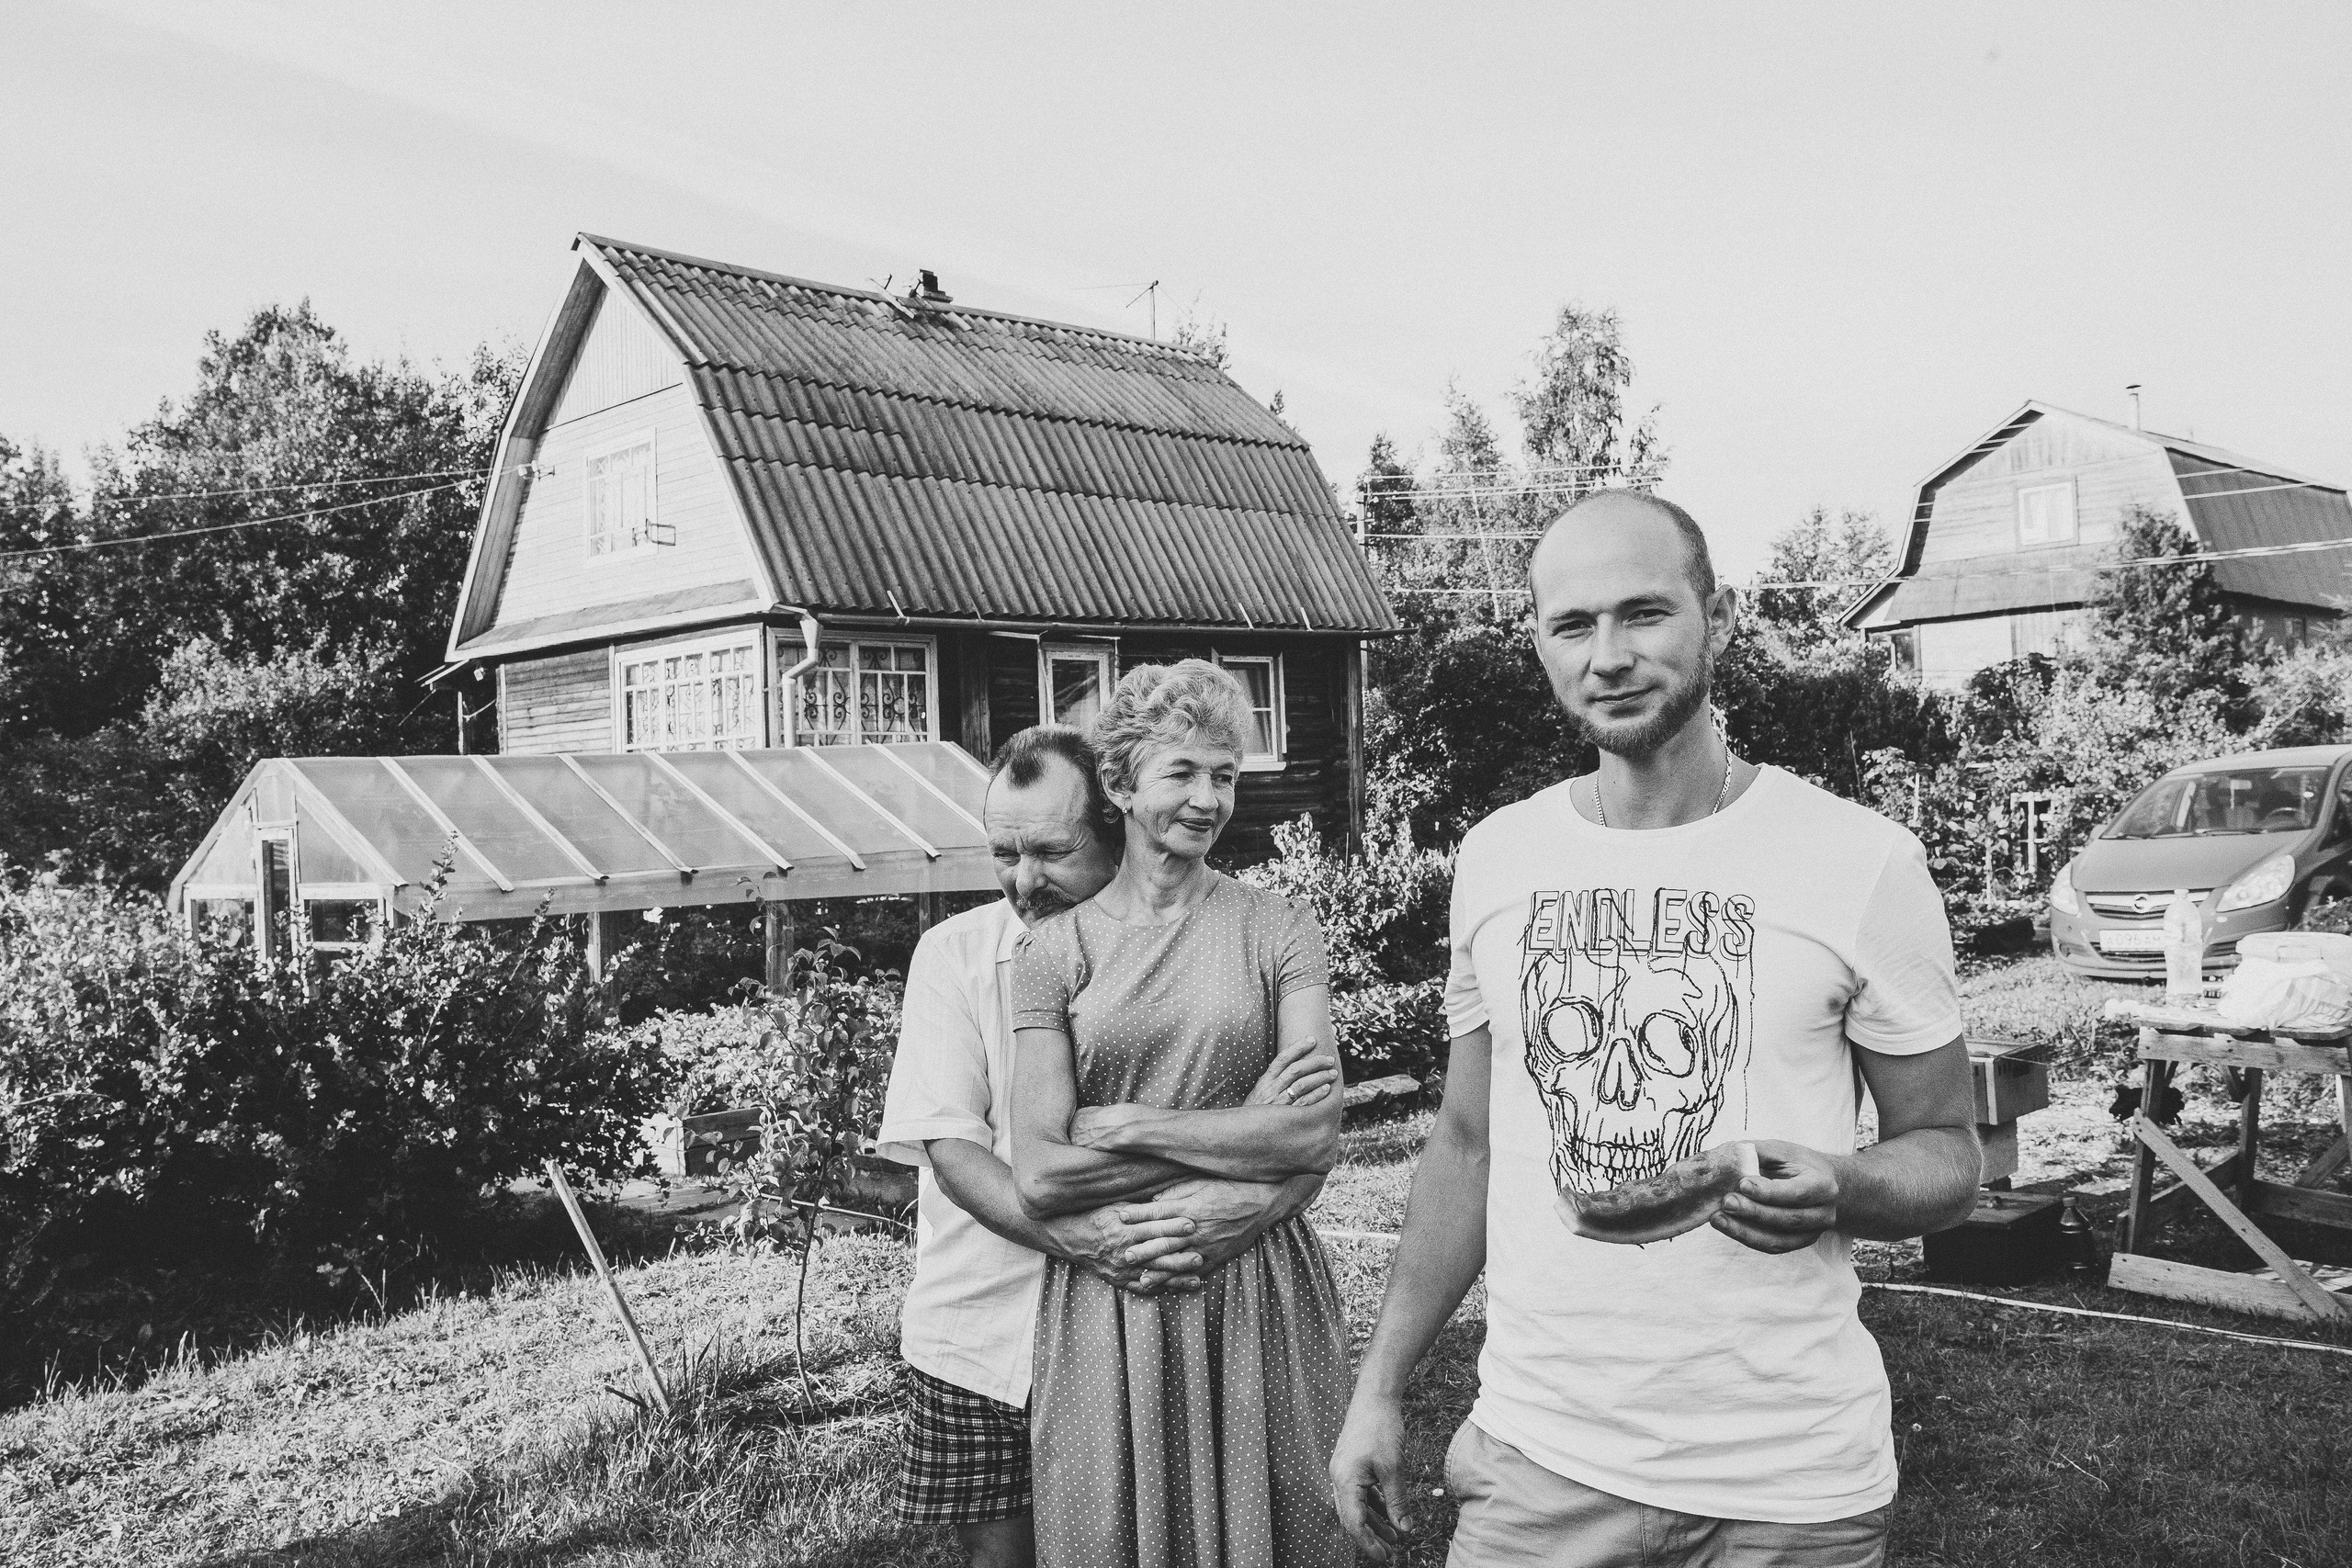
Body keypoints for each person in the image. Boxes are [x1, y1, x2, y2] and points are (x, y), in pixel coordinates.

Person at [1329, 491, 1982, 1568]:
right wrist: (1381, 1388)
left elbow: (1948, 1154)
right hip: (1540, 1463)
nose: (1609, 657)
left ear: (1714, 616)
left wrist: (1847, 1184)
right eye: (1571, 625)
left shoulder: (1858, 860)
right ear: (1539, 642)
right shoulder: (1498, 859)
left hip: (1790, 1485)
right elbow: (1465, 1140)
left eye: (1643, 614)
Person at [876, 724, 1337, 1568]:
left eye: (1051, 850)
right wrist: (1090, 1236)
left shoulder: (1230, 940)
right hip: (983, 1329)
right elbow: (954, 1150)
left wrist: (1251, 1187)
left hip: (1155, 1309)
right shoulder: (953, 955)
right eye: (1003, 853)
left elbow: (1300, 1139)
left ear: (1115, 819)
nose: (1024, 879)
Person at [1009, 660, 1356, 1568]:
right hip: (1117, 1283)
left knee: (1288, 1529)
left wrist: (1123, 1125)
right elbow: (1041, 1175)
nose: (1206, 799)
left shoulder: (1280, 926)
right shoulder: (1051, 954)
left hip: (1256, 1278)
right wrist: (1245, 1132)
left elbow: (1313, 1133)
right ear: (1120, 786)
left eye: (1224, 775)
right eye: (1181, 773)